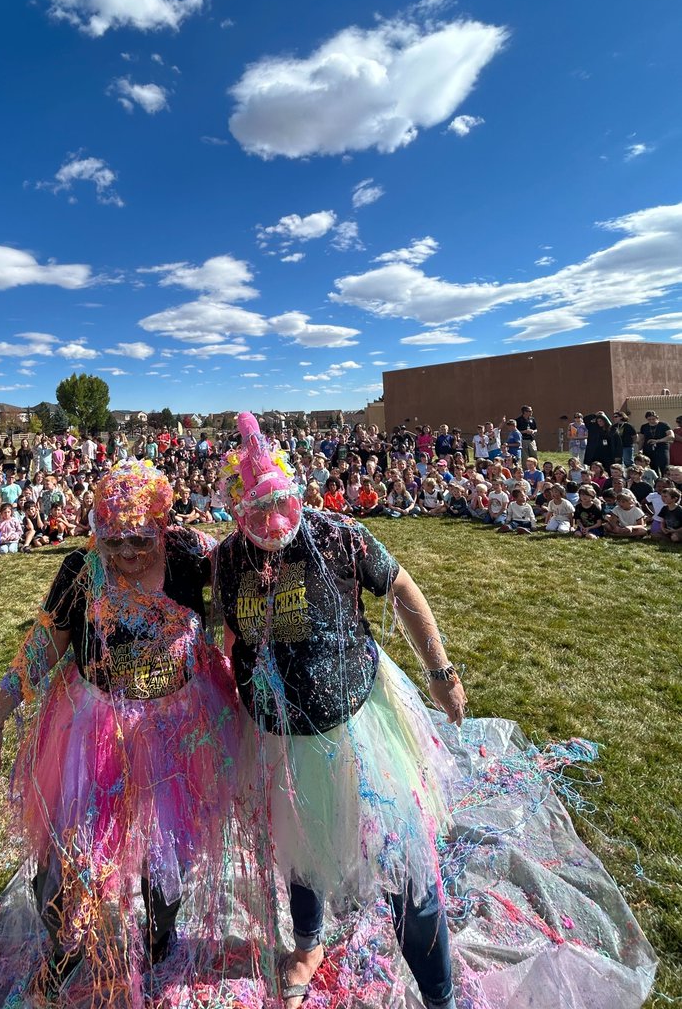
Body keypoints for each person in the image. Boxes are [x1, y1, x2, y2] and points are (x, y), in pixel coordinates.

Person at [213, 413, 465, 1009]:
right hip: (279, 735)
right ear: (235, 511)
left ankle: (440, 994)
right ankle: (308, 942)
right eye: (257, 511)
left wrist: (441, 670)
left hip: (358, 725)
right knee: (300, 842)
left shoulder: (338, 535)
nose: (273, 522)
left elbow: (402, 588)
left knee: (401, 855)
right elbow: (227, 633)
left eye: (280, 503)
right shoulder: (226, 561)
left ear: (294, 492)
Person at [0, 461, 238, 999]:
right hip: (92, 731)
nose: (126, 555)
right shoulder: (81, 569)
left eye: (140, 541)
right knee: (67, 861)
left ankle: (158, 934)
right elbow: (43, 646)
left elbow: (254, 564)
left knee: (168, 851)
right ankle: (69, 942)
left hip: (178, 729)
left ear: (161, 527)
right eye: (113, 541)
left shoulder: (190, 555)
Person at [639, 411, 673, 476]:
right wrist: (639, 449)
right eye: (649, 419)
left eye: (653, 419)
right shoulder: (644, 427)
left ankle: (665, 481)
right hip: (648, 448)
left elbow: (671, 436)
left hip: (662, 447)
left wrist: (658, 441)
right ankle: (656, 482)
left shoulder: (663, 425)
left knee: (664, 467)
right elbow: (641, 439)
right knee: (652, 466)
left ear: (657, 418)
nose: (652, 421)